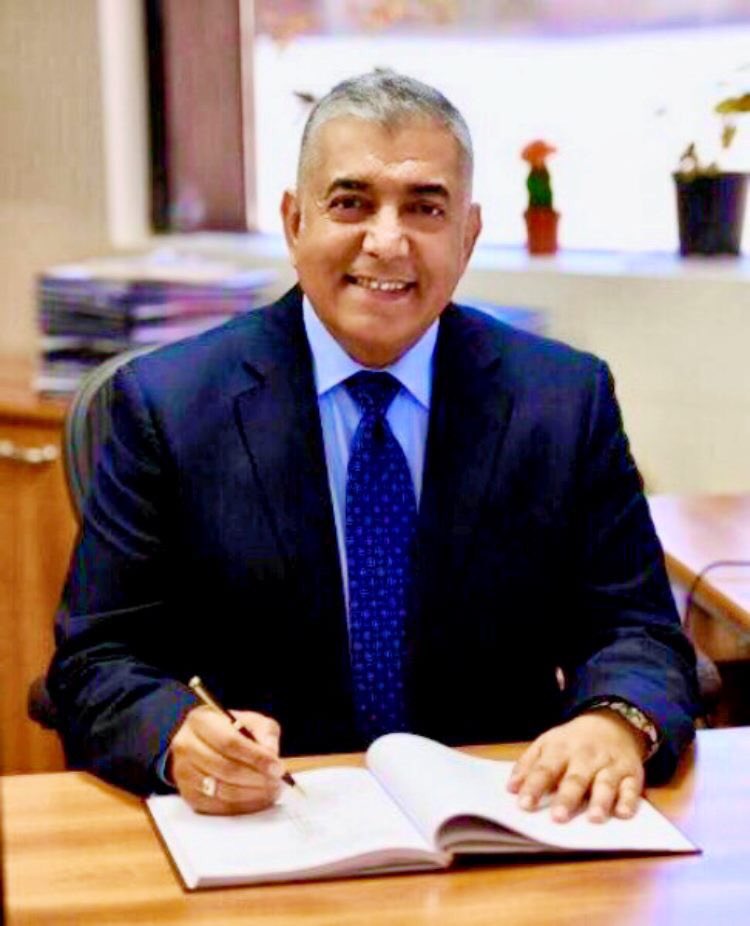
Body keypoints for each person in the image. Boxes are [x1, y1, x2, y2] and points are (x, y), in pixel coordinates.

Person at [47, 70, 699, 824]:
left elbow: (639, 632)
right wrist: (177, 735)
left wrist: (614, 722)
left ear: (467, 236)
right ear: (295, 222)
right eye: (351, 203)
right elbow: (96, 659)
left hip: (504, 821)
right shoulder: (168, 404)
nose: (386, 242)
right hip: (267, 823)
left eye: (425, 207)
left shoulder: (563, 401)